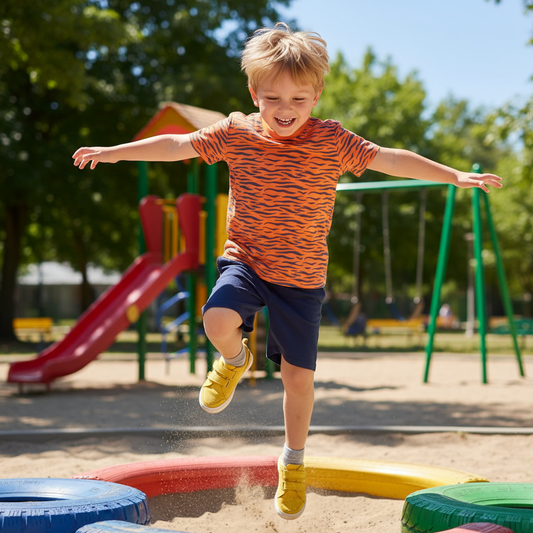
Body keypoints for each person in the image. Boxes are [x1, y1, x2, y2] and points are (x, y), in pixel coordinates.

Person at [72, 22, 502, 520]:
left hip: (301, 279)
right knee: (216, 320)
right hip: (247, 260)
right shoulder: (236, 132)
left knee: (298, 380)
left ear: (316, 95)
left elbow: (387, 158)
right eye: (272, 97)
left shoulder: (332, 141)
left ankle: (292, 463)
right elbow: (177, 145)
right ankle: (234, 360)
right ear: (254, 93)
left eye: (298, 99)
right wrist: (114, 152)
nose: (285, 109)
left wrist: (452, 175)